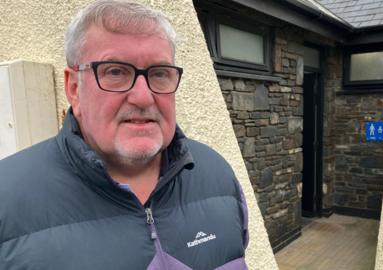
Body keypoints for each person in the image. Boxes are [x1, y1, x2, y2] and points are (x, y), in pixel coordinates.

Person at [0, 1, 248, 269]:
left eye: (160, 73)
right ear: (74, 88)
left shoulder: (217, 175)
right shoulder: (8, 201)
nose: (143, 97)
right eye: (115, 71)